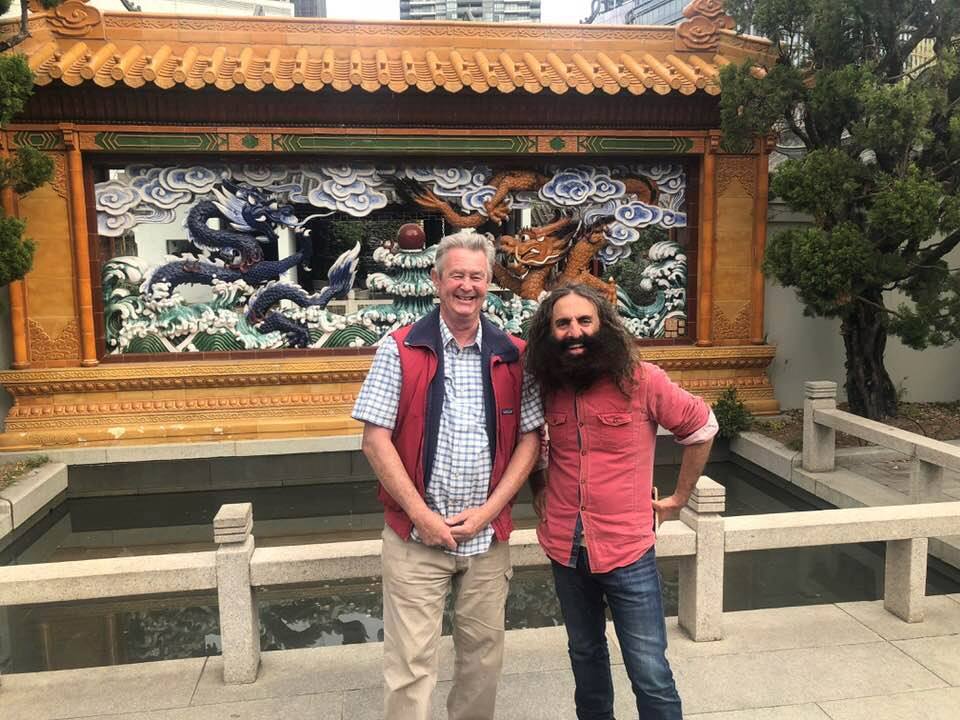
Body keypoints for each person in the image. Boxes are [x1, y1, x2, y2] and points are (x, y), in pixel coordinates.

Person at [352, 227, 543, 720]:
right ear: (436, 279)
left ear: (488, 284)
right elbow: (375, 439)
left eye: (476, 277)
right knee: (411, 665)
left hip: (486, 539)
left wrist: (488, 513)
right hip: (416, 536)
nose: (467, 285)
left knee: (482, 660)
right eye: (456, 275)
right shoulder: (400, 348)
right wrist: (422, 515)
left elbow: (530, 439)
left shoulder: (513, 354)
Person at [524, 283, 717, 720]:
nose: (575, 331)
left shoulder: (642, 380)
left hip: (628, 548)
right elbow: (534, 441)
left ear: (603, 325)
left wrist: (679, 499)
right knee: (584, 654)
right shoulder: (547, 385)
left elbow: (702, 427)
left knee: (649, 669)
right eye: (563, 323)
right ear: (549, 333)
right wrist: (539, 487)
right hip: (566, 549)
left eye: (584, 321)